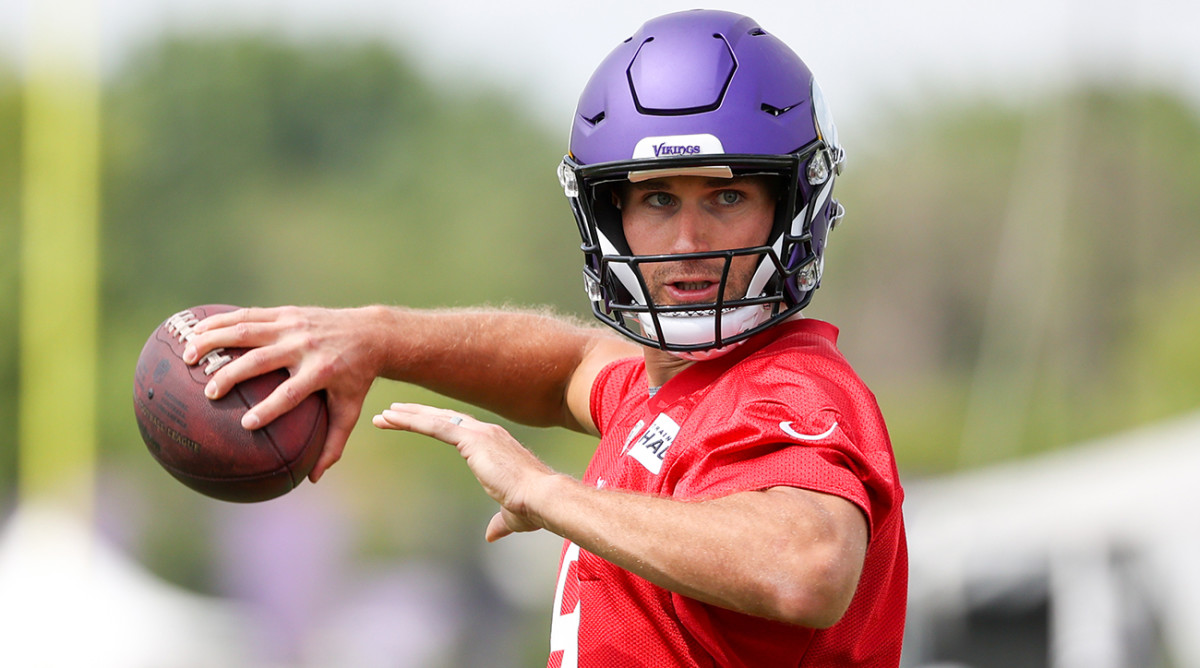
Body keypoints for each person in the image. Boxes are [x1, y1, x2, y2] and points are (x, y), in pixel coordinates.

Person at [182, 9, 906, 667]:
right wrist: (376, 338)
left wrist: (543, 491)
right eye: (658, 198)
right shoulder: (670, 392)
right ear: (607, 213)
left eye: (726, 196)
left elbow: (805, 566)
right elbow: (570, 363)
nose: (688, 240)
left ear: (791, 208)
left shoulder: (795, 387)